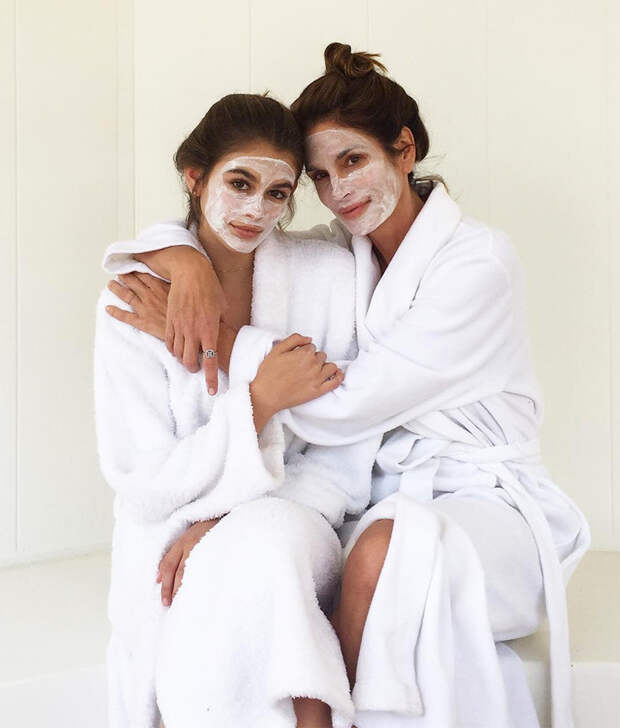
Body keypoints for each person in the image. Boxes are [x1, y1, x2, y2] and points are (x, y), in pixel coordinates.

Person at [105, 44, 591, 728]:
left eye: (354, 161)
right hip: (375, 496)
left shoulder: (478, 264)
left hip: (488, 505)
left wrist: (223, 338)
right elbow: (236, 228)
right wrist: (181, 262)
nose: (339, 192)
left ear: (405, 149)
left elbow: (345, 404)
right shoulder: (347, 251)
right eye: (321, 177)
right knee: (276, 568)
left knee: (385, 555)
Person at [94, 92, 382, 728]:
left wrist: (223, 517)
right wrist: (256, 403)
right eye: (240, 183)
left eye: (278, 193)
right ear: (195, 178)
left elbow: (344, 454)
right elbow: (142, 480)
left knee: (261, 546)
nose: (257, 209)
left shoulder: (327, 278)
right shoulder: (139, 295)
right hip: (167, 536)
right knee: (224, 570)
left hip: (299, 518)